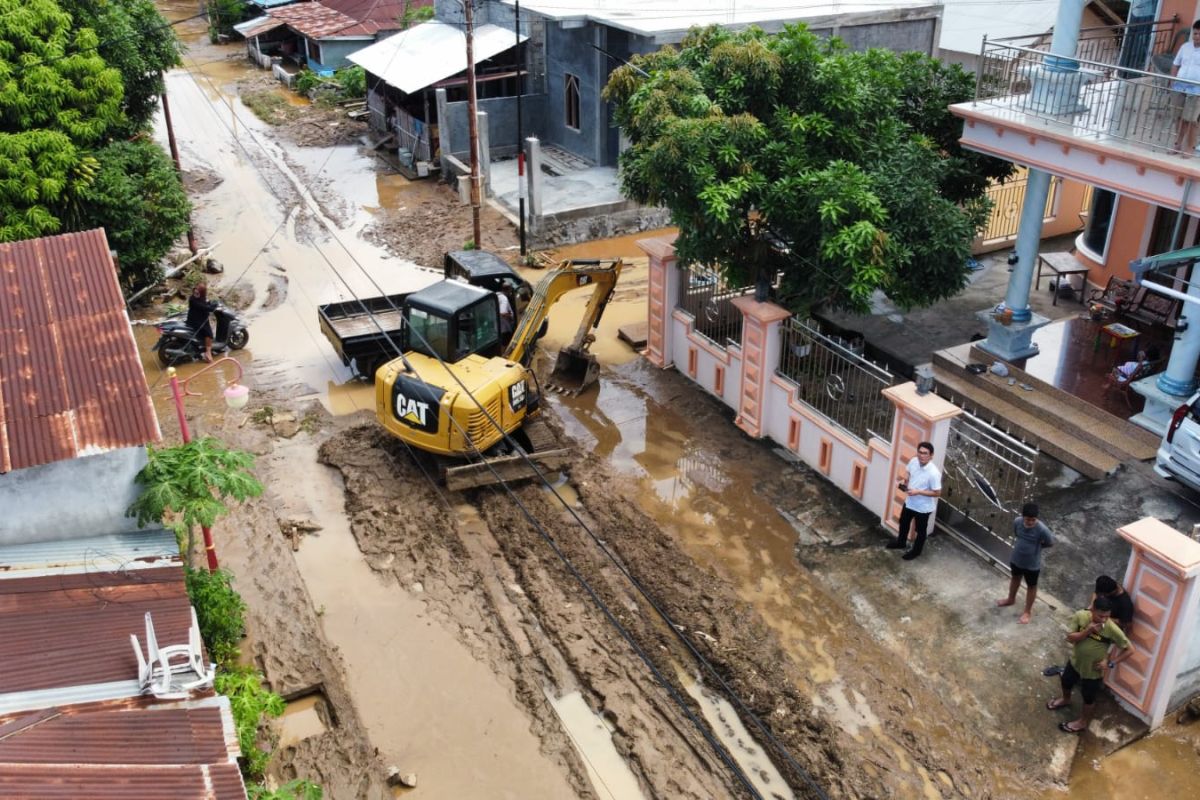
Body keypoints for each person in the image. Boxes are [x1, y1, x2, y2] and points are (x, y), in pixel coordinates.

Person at [1046, 596, 1133, 734]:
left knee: (1088, 697)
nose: (1104, 620)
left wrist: (1110, 663)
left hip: (1093, 671)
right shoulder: (1080, 617)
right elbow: (1070, 638)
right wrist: (1088, 631)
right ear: (1092, 610)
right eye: (1100, 616)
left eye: (1107, 616)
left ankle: (1082, 722)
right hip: (1075, 662)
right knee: (1066, 681)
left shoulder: (1112, 629)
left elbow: (1130, 650)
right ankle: (1065, 699)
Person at [996, 502, 1054, 624]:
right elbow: (1017, 533)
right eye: (1028, 519)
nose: (1030, 522)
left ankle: (1027, 611)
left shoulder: (1042, 530)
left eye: (1033, 520)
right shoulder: (1017, 522)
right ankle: (1010, 599)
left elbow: (1049, 543)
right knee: (1015, 578)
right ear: (1023, 517)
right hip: (1017, 559)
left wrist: (1036, 548)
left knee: (1031, 586)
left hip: (1032, 564)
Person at [886, 441, 941, 561]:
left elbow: (937, 493)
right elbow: (908, 472)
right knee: (903, 522)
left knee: (920, 531)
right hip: (910, 502)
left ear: (931, 455)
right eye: (920, 452)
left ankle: (916, 551)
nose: (922, 455)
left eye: (925, 453)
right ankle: (901, 542)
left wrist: (918, 492)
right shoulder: (914, 461)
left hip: (923, 507)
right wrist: (904, 480)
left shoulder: (933, 473)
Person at [1172, 20, 1200, 157]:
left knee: (1191, 120)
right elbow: (1175, 64)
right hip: (1179, 87)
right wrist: (1172, 80)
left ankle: (1190, 148)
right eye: (1195, 33)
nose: (1197, 36)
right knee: (1178, 117)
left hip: (1196, 91)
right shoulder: (1185, 47)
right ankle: (1177, 144)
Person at [186, 283, 218, 362]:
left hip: (200, 318)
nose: (197, 291)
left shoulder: (200, 297)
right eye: (197, 289)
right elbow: (204, 307)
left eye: (199, 290)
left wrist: (210, 303)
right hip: (196, 321)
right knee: (209, 334)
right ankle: (208, 353)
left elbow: (204, 304)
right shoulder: (193, 299)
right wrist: (212, 307)